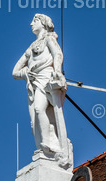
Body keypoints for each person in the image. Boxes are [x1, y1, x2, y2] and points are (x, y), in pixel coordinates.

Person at [12, 14, 72, 168]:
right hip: (33, 82)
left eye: (35, 21)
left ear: (43, 23)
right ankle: (43, 145)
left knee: (39, 109)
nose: (31, 23)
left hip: (46, 77)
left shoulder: (49, 39)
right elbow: (15, 71)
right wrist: (25, 73)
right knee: (34, 120)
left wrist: (57, 71)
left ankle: (47, 144)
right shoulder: (31, 48)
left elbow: (57, 54)